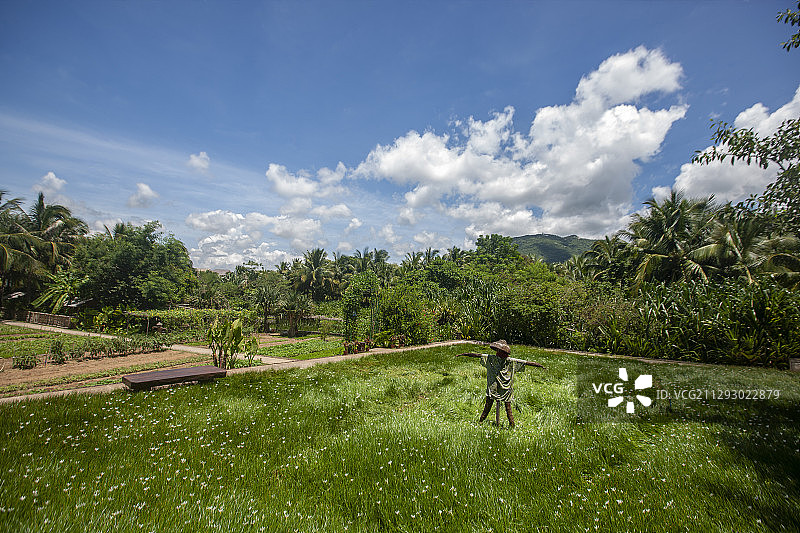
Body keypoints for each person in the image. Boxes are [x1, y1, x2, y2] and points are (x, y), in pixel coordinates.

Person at [457, 339, 544, 428]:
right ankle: (481, 421)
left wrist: (539, 365)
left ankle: (512, 425)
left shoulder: (510, 361)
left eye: (500, 351)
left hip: (506, 389)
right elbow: (477, 355)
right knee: (488, 404)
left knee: (508, 406)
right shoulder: (492, 359)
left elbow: (526, 363)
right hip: (493, 386)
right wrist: (464, 354)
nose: (498, 353)